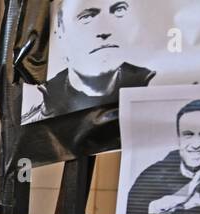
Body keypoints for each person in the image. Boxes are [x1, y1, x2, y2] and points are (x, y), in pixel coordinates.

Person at [22, 0, 154, 123]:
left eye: (118, 10)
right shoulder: (37, 120)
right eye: (86, 17)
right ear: (60, 34)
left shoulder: (153, 94)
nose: (105, 31)